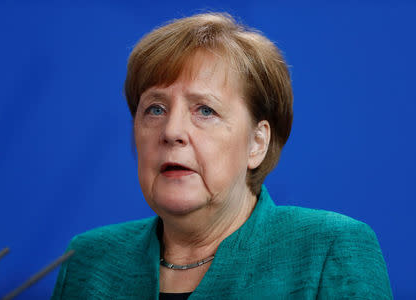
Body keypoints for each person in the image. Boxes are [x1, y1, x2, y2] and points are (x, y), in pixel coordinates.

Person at [51, 13, 392, 299]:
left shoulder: (328, 250)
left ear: (257, 143)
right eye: (155, 109)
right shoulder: (89, 261)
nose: (171, 131)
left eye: (205, 110)